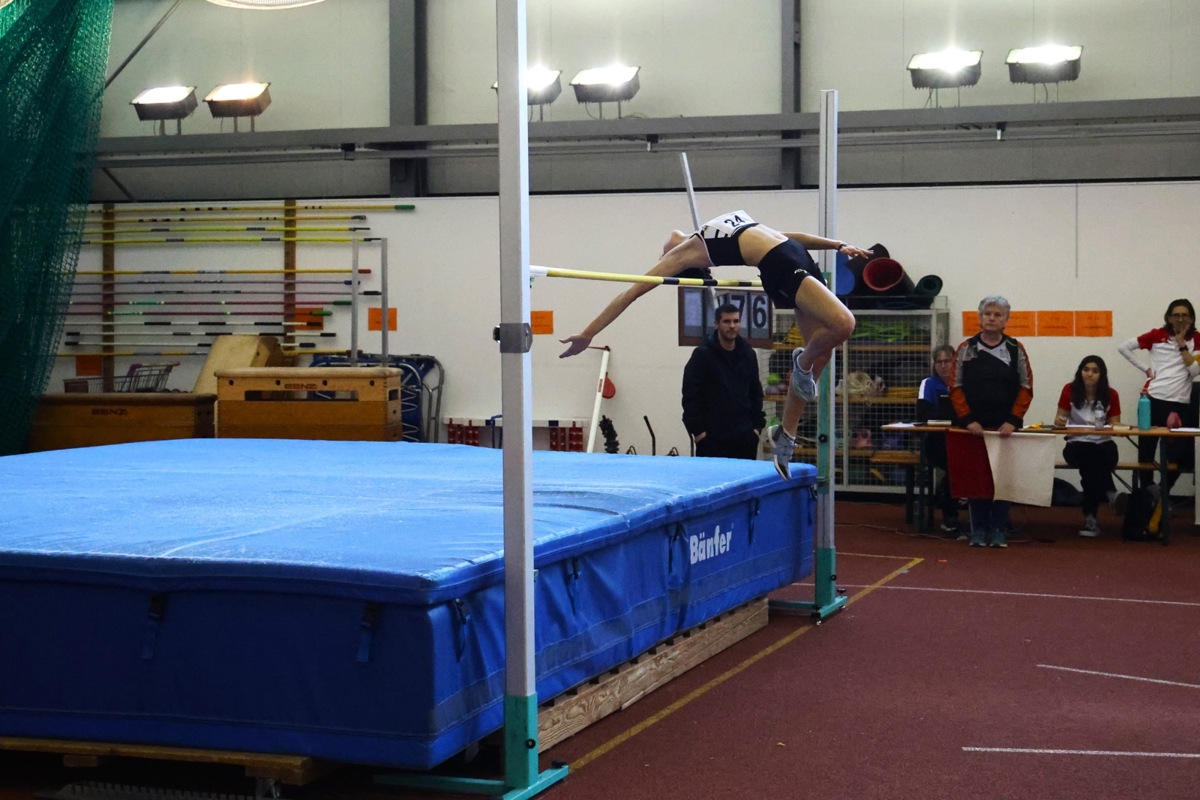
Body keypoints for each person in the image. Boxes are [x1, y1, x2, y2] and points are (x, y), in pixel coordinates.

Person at [559, 210, 871, 479]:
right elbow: (628, 294)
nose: (667, 247)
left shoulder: (706, 230)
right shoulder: (682, 254)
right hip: (781, 266)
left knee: (824, 352)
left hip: (793, 253)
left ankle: (784, 436)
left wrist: (835, 244)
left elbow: (785, 235)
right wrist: (589, 333)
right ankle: (801, 362)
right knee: (844, 324)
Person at [948, 295, 1034, 548]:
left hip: (1004, 430)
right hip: (974, 430)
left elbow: (1026, 387)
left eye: (998, 315)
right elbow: (955, 387)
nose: (992, 318)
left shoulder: (1016, 349)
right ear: (980, 317)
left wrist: (1013, 421)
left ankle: (999, 530)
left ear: (1006, 320)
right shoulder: (966, 349)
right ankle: (978, 530)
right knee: (976, 481)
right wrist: (968, 420)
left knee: (1001, 481)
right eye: (988, 314)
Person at [1117, 299, 1200, 495]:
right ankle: (1148, 495)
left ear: (1191, 318)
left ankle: (1162, 493)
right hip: (1153, 400)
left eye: (1184, 315)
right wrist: (1146, 369)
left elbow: (1195, 371)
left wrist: (1181, 345)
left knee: (1182, 455)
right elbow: (1123, 348)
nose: (1180, 319)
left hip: (1180, 404)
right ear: (1169, 318)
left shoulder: (1197, 338)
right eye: (1176, 315)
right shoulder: (1157, 336)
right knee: (1146, 451)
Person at [681, 303, 766, 460]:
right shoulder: (702, 355)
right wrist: (699, 433)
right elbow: (690, 395)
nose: (732, 326)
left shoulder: (748, 354)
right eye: (726, 321)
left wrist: (756, 429)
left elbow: (756, 392)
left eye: (736, 321)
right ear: (717, 324)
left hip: (745, 439)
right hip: (712, 440)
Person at [1054, 356, 1122, 537]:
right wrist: (1061, 421)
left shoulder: (1111, 394)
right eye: (1086, 369)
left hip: (1103, 444)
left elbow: (1115, 424)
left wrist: (1112, 427)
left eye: (1095, 370)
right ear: (1080, 371)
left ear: (1102, 375)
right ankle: (1110, 493)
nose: (1089, 374)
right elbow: (1058, 420)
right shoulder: (1069, 390)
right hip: (1077, 444)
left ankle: (1091, 519)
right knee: (1091, 456)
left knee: (1092, 466)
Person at [916, 344, 961, 534]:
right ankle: (949, 515)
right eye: (939, 362)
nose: (943, 366)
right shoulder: (928, 384)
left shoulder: (963, 384)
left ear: (955, 363)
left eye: (947, 361)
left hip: (960, 439)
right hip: (936, 442)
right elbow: (921, 415)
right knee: (953, 465)